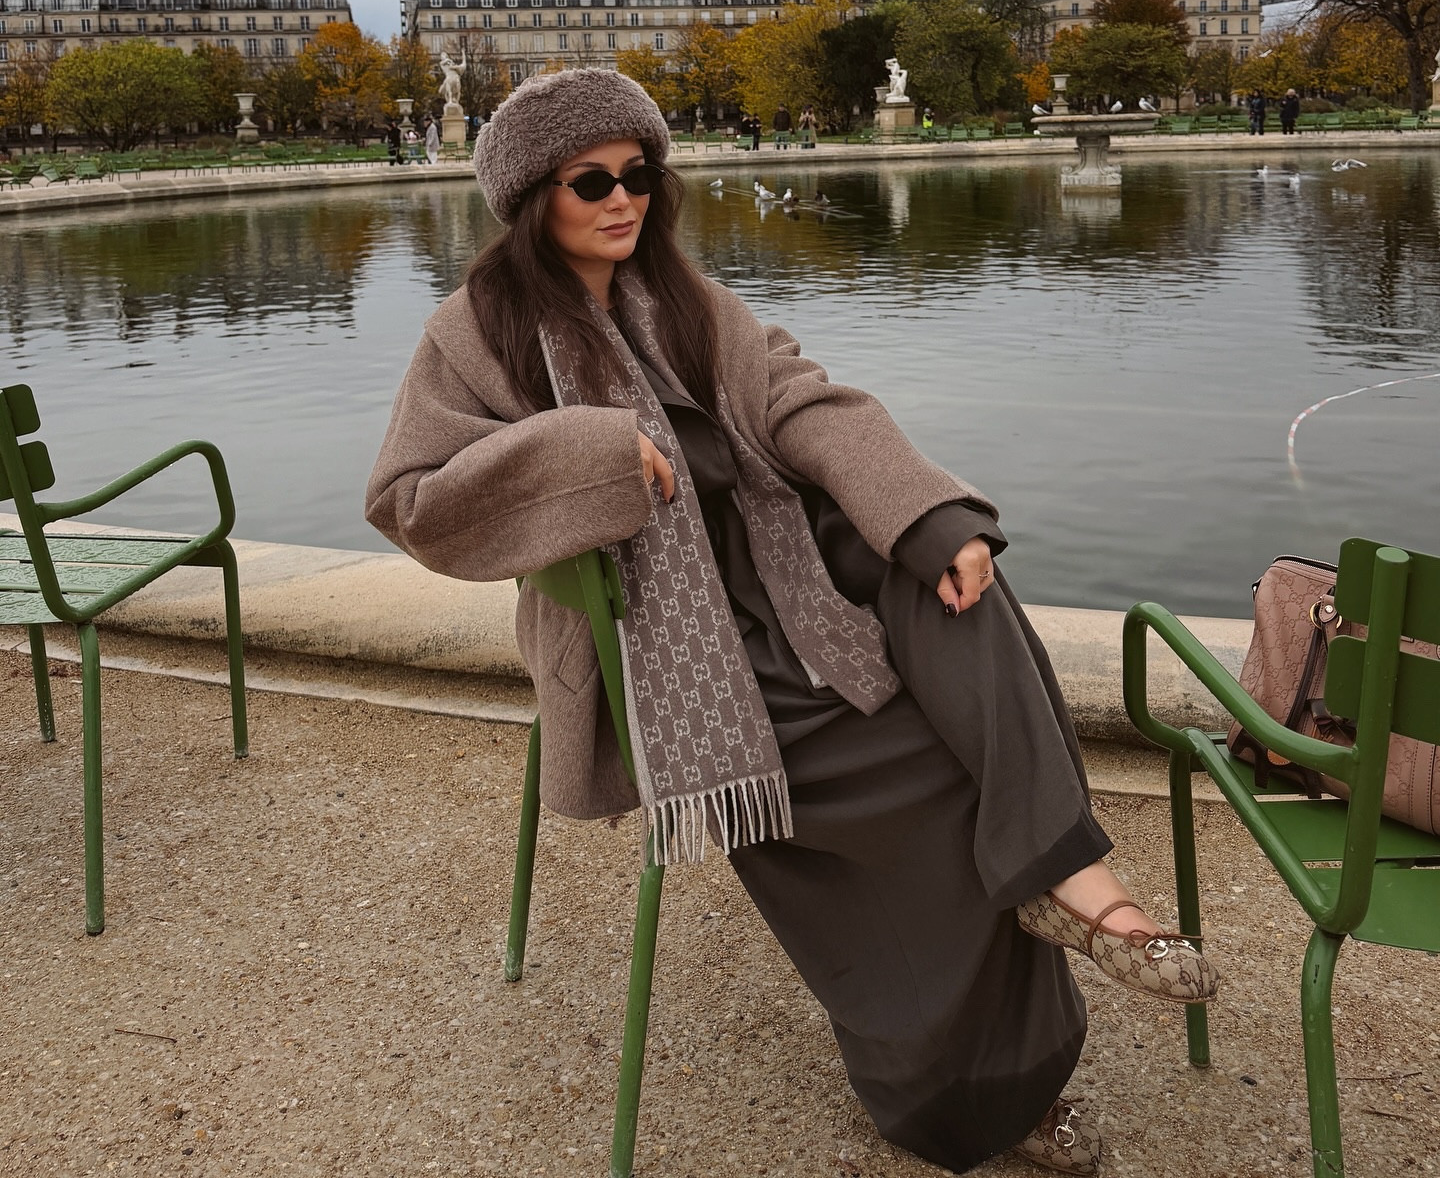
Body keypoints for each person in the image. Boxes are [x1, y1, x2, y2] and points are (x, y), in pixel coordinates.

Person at [366, 71, 1218, 1178]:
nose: (624, 200)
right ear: (535, 197)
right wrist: (583, 456)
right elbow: (411, 502)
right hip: (672, 648)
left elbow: (803, 402)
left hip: (792, 589)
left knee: (954, 572)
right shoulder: (474, 332)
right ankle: (974, 1083)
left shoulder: (681, 293)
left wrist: (934, 515)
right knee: (935, 774)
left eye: (639, 175)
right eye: (594, 182)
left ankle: (1070, 881)